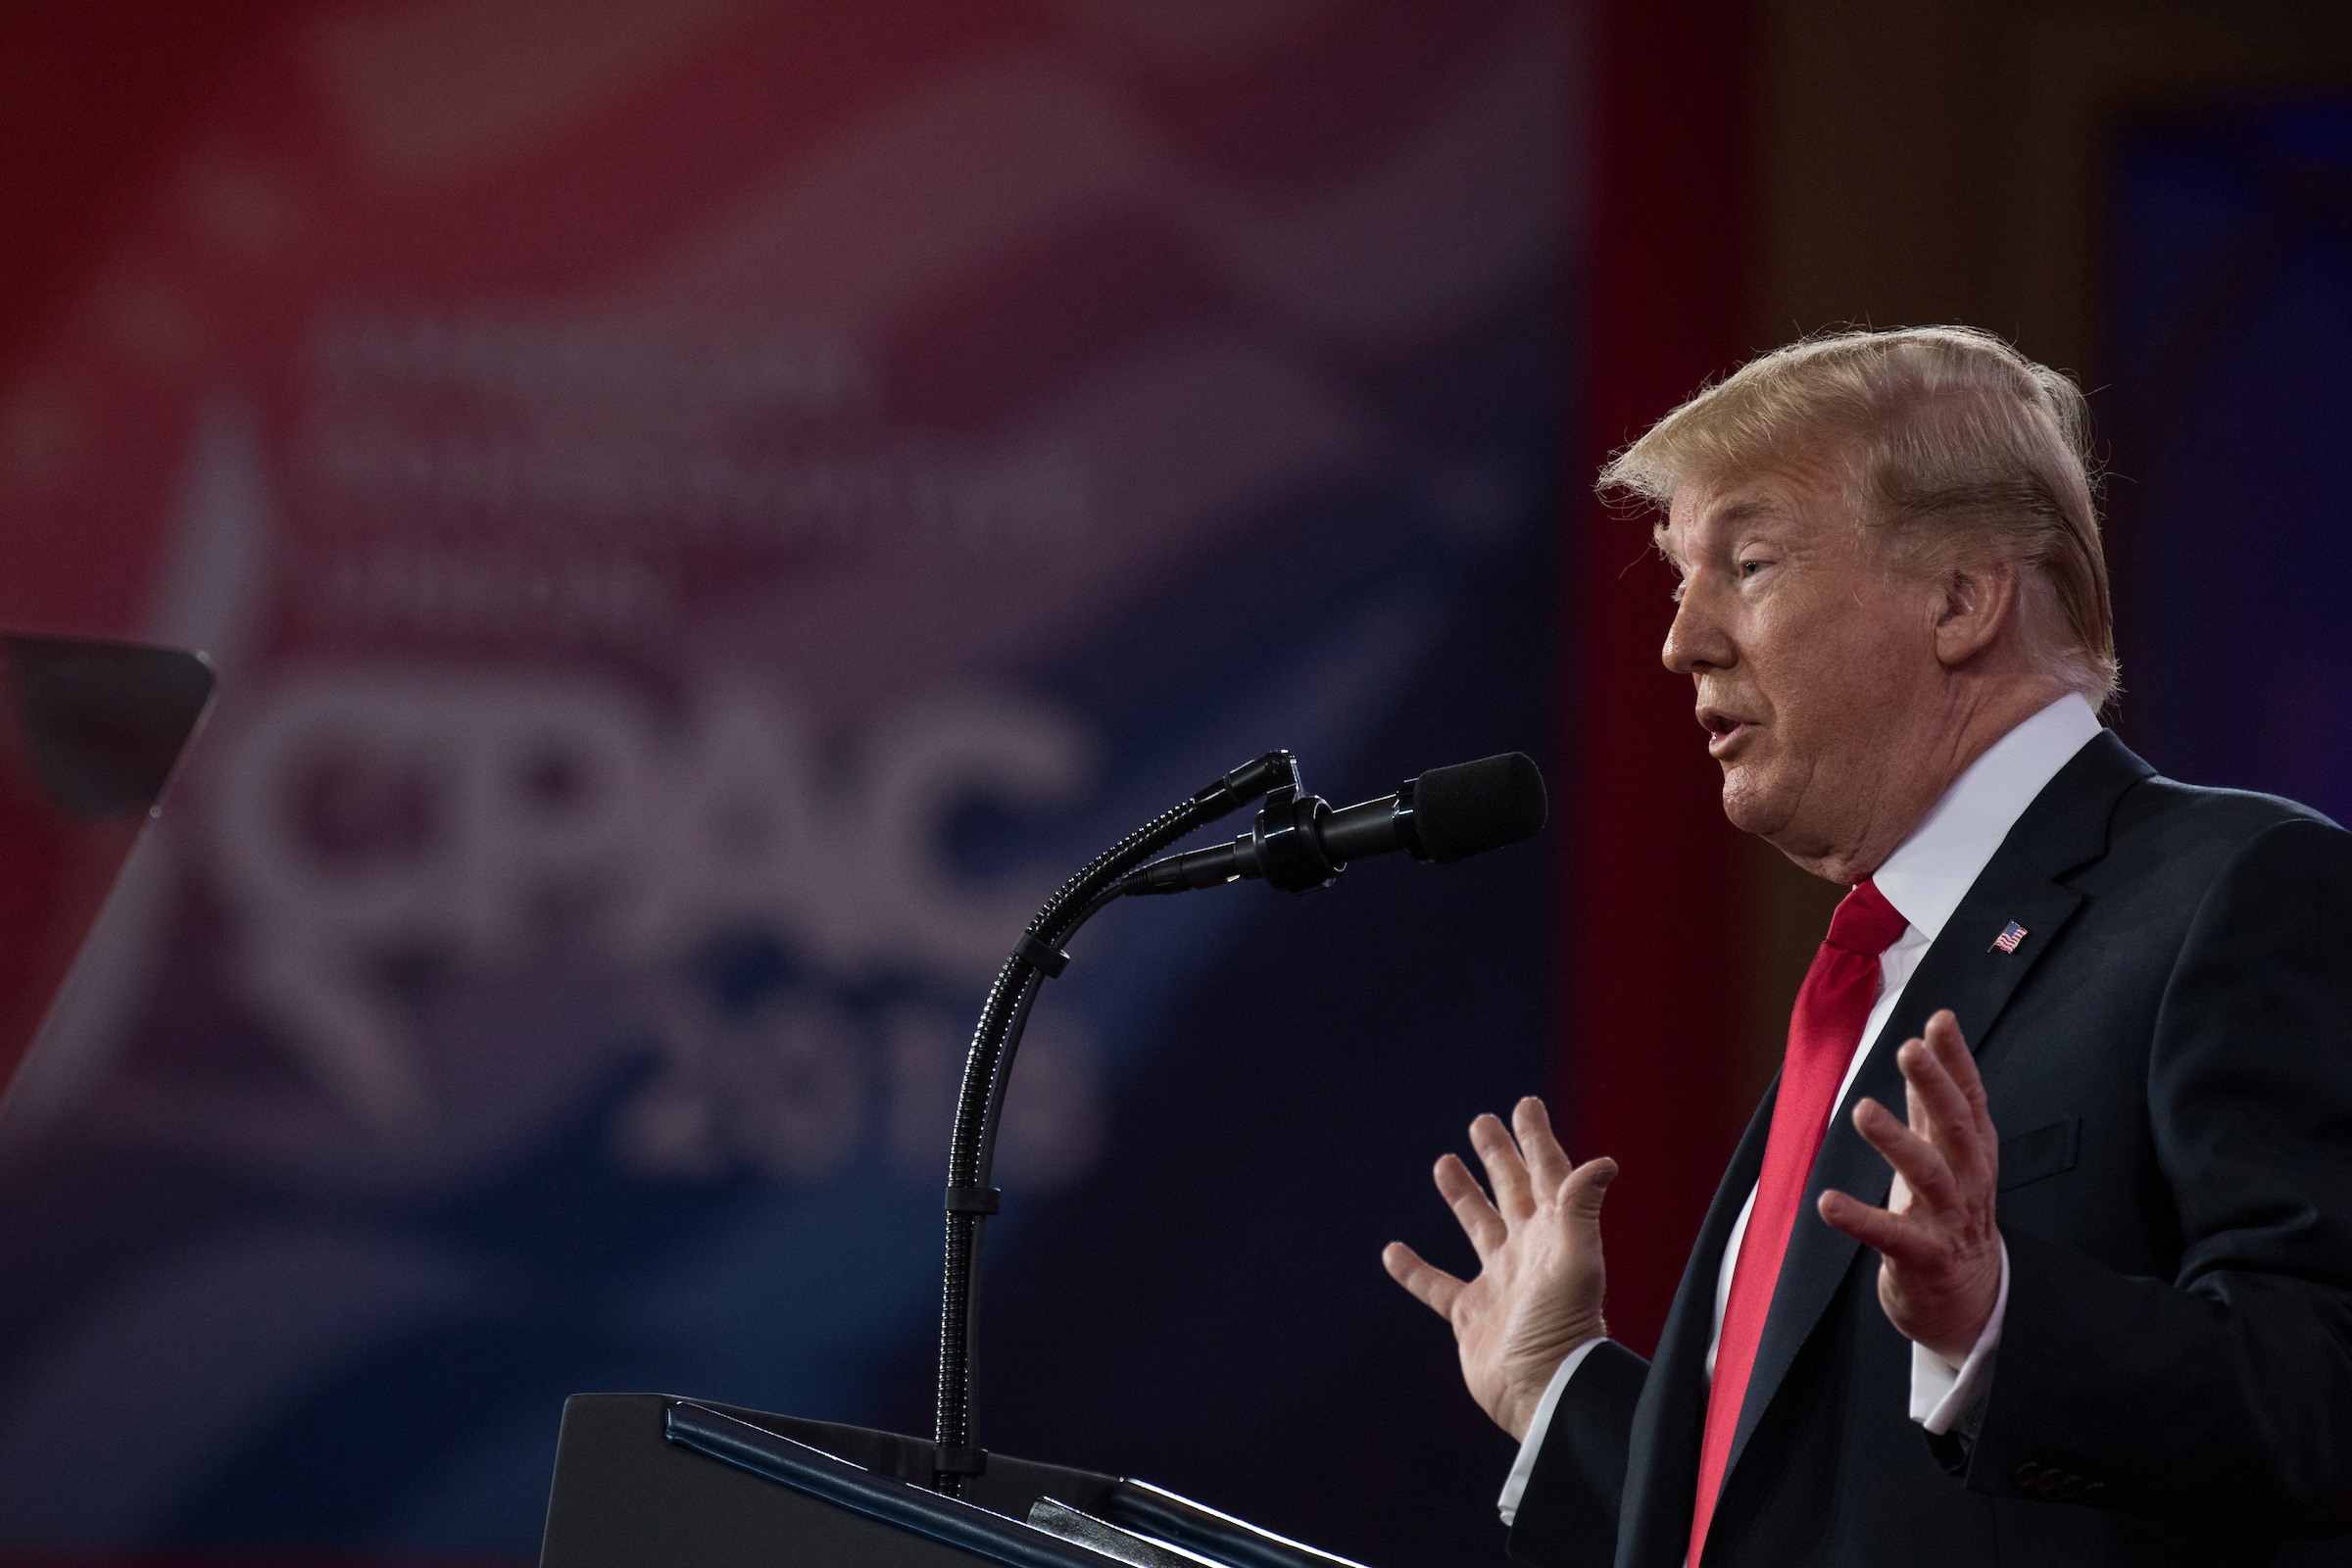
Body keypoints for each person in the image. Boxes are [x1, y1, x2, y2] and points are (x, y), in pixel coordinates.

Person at [1383, 326, 2352, 1567]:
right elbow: (1812, 1517)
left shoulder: (2237, 891)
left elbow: (2324, 1388)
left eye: (1749, 560)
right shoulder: (1882, 970)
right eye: (1684, 574)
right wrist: (1558, 1388)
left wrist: (2001, 1317)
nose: (1681, 638)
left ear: (1960, 596)